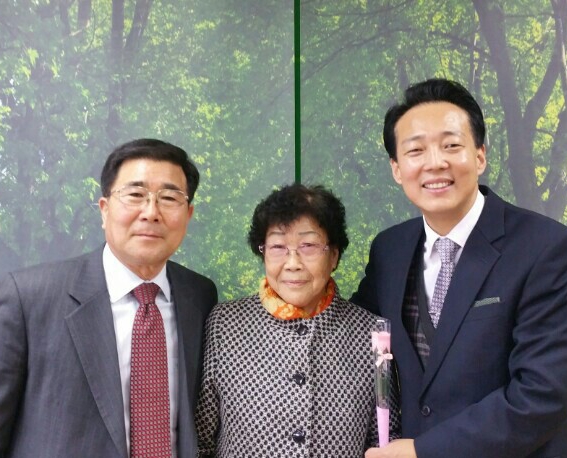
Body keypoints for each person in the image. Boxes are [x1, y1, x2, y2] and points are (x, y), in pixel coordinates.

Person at [352, 78, 567, 458]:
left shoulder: (546, 247)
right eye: (415, 150)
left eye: (451, 145)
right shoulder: (390, 250)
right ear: (397, 168)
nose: (435, 162)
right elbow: (352, 329)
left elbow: (543, 393)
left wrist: (424, 451)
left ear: (480, 155)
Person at [0, 138, 218, 458]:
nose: (151, 212)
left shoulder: (199, 296)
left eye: (169, 198)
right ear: (104, 210)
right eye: (135, 195)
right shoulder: (28, 297)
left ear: (188, 215)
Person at [195, 183, 400, 457]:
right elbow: (201, 439)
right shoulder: (226, 324)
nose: (292, 263)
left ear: (334, 255)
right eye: (278, 246)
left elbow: (385, 440)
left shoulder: (372, 334)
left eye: (308, 246)